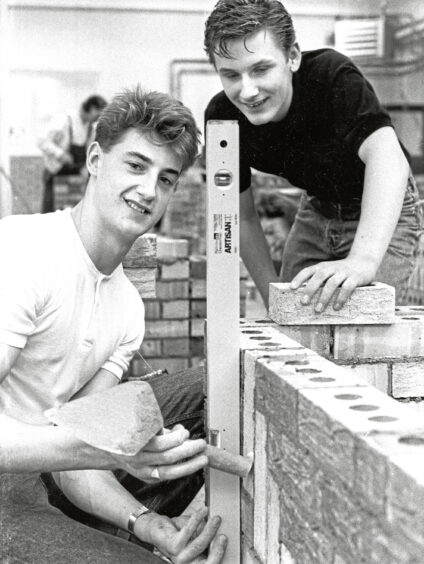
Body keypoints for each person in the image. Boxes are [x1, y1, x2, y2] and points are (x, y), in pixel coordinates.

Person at [0, 86, 227, 563]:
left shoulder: (127, 310)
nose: (149, 190)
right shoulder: (24, 255)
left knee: (218, 385)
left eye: (166, 179)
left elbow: (76, 460)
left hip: (43, 473)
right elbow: (84, 449)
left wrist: (150, 526)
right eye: (136, 165)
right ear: (96, 159)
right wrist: (104, 450)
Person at [204, 0, 422, 311]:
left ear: (292, 57)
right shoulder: (223, 119)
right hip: (316, 209)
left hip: (382, 204)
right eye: (231, 75)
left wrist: (362, 260)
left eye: (261, 69)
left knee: (359, 323)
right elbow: (240, 217)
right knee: (295, 318)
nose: (248, 91)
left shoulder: (331, 76)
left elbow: (388, 160)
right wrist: (273, 301)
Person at [38, 94, 107, 213]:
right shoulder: (64, 120)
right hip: (56, 173)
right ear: (90, 108)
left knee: (71, 214)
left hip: (74, 177)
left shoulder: (90, 127)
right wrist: (60, 154)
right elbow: (42, 141)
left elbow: (89, 151)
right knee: (50, 214)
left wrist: (86, 169)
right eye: (98, 114)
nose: (98, 118)